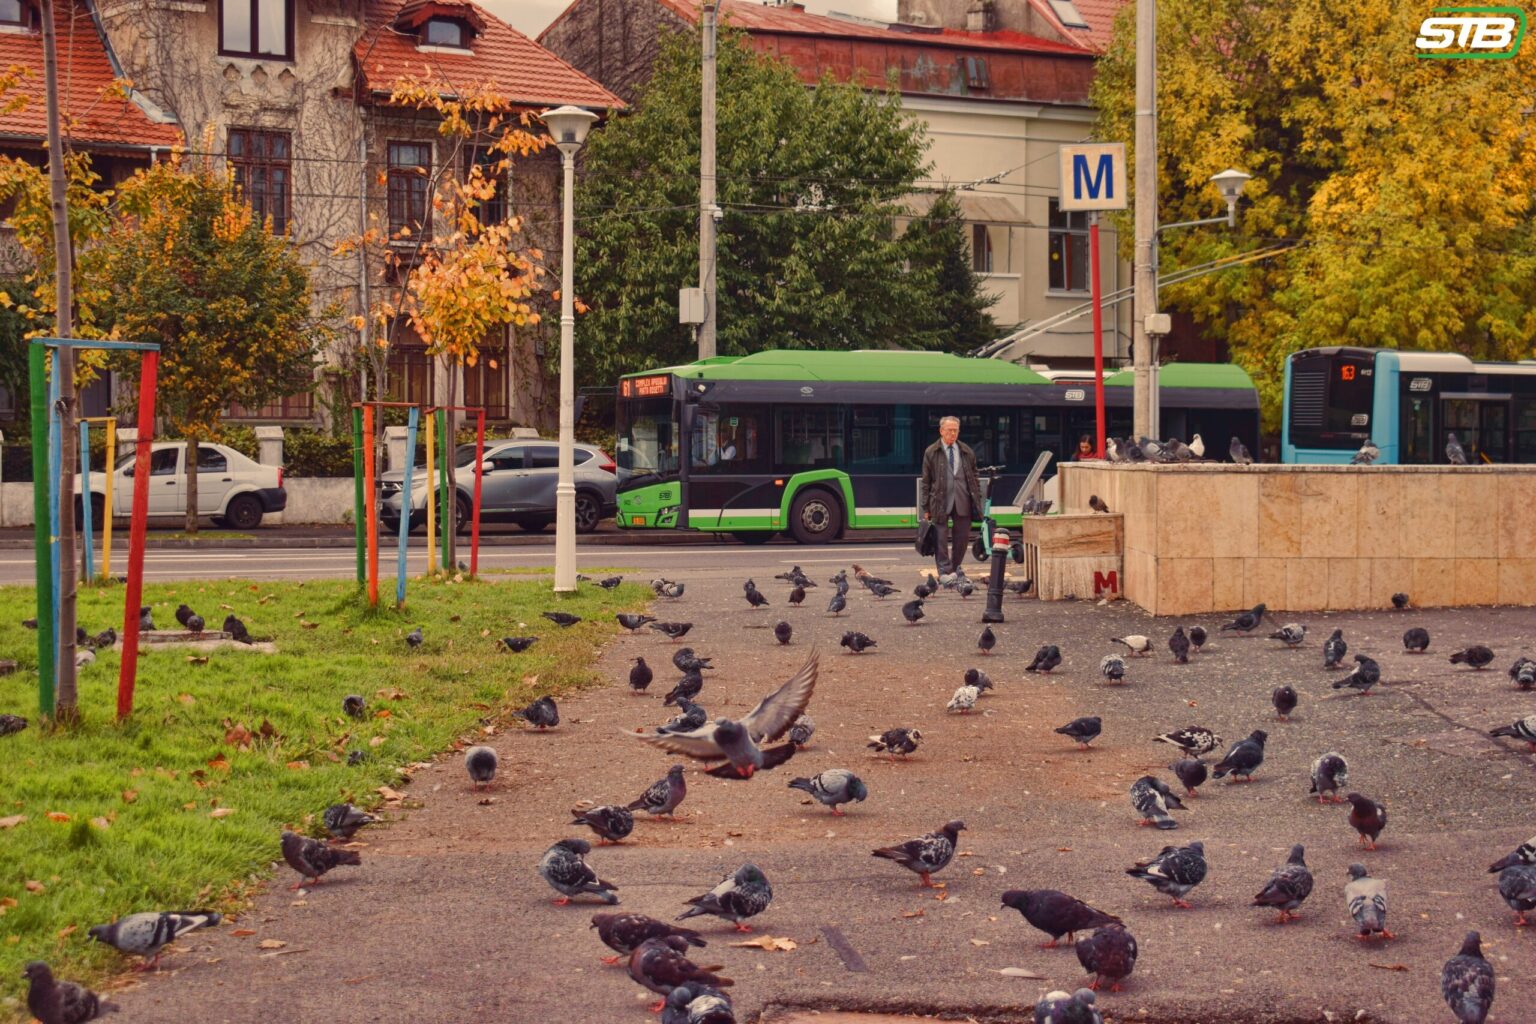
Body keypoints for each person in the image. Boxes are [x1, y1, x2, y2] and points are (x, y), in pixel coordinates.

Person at [919, 416, 983, 579]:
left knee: (961, 538)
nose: (952, 433)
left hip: (963, 499)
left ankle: (955, 569)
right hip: (939, 501)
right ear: (941, 431)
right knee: (940, 539)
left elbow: (975, 476)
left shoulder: (966, 451)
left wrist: (977, 498)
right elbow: (926, 482)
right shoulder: (931, 451)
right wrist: (925, 507)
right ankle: (943, 571)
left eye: (955, 430)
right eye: (949, 430)